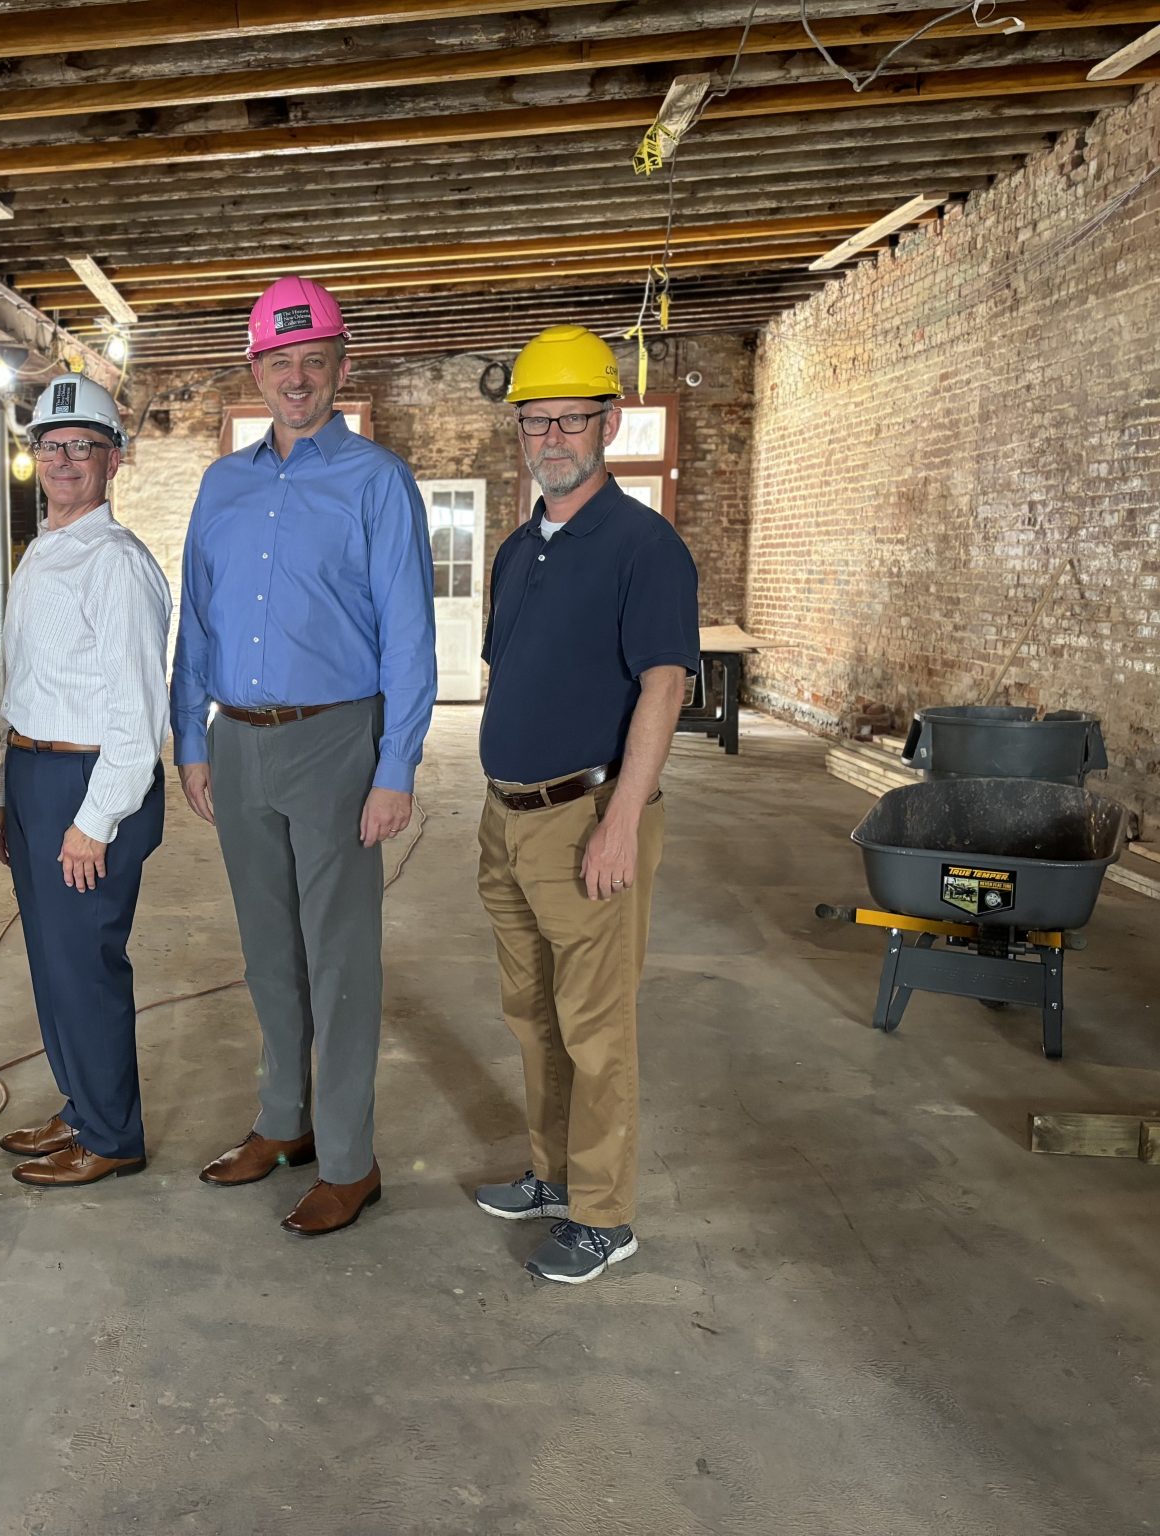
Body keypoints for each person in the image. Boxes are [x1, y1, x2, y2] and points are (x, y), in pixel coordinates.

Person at [170, 276, 436, 1238]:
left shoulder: (376, 482)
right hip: (236, 742)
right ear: (256, 371)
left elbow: (410, 632)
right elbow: (196, 616)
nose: (296, 378)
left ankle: (351, 1160)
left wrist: (396, 763)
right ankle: (284, 1124)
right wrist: (188, 736)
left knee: (341, 960)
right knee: (268, 951)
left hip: (335, 739)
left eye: (312, 360)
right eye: (278, 362)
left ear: (339, 367)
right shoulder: (222, 485)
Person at [471, 325, 699, 1284]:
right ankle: (554, 1172)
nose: (551, 437)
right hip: (507, 817)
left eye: (569, 418)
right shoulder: (521, 549)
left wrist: (618, 821)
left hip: (587, 819)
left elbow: (663, 687)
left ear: (608, 420)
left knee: (597, 1024)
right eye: (535, 421)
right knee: (533, 1014)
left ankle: (606, 1216)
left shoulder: (645, 547)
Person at [0, 374, 172, 1189]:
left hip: (89, 782)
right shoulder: (44, 554)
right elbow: (27, 678)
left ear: (114, 459)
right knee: (53, 962)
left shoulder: (116, 564)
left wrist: (93, 819)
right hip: (36, 772)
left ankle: (112, 1134)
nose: (66, 460)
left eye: (84, 447)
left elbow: (139, 715)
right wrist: (6, 789)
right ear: (34, 457)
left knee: (87, 964)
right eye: (52, 446)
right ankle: (81, 1105)